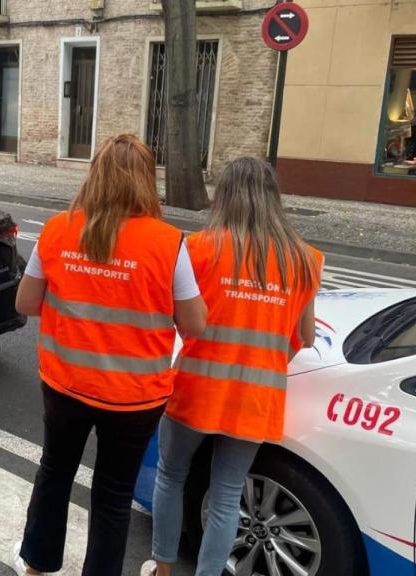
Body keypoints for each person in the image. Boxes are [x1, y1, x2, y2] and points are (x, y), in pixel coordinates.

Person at [12, 134, 207, 576]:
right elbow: (194, 326)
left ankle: (37, 566)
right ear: (145, 182)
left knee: (55, 472)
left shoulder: (58, 228)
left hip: (65, 385)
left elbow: (25, 303)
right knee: (113, 495)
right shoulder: (168, 243)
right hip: (135, 397)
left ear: (94, 176)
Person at [141, 157, 323, 576]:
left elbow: (178, 317)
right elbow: (306, 335)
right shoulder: (305, 260)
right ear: (273, 199)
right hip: (256, 399)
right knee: (226, 496)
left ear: (223, 196)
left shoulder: (200, 249)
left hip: (196, 390)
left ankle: (163, 568)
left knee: (172, 476)